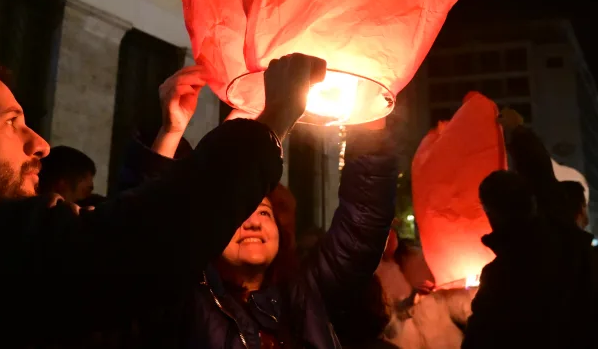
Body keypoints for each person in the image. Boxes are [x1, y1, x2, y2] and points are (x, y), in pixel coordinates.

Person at [0, 51, 322, 346]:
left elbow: (112, 243)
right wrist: (270, 124)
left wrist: (175, 141)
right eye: (12, 123)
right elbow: (118, 250)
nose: (40, 144)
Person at [129, 65, 398, 349]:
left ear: (282, 231)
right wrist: (170, 133)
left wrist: (369, 108)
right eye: (239, 216)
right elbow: (143, 241)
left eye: (264, 213)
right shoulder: (186, 298)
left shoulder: (307, 295)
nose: (253, 223)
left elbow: (361, 224)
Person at [462, 108, 598, 349]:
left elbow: (480, 339)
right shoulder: (566, 243)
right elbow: (543, 179)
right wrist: (518, 131)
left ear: (490, 214)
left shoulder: (503, 277)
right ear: (532, 201)